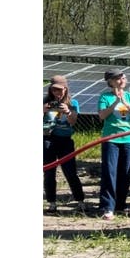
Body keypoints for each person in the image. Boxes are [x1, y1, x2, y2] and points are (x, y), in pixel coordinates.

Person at [97, 68, 130, 220]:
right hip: (111, 139)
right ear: (110, 82)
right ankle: (107, 206)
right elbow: (102, 115)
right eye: (117, 78)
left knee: (125, 172)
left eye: (122, 77)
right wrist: (116, 101)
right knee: (110, 172)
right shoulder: (105, 96)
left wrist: (125, 103)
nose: (121, 80)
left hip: (129, 139)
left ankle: (121, 204)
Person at [43, 75, 86, 212]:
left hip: (65, 141)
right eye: (54, 90)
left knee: (70, 172)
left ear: (65, 89)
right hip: (48, 140)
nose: (57, 93)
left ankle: (80, 201)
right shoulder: (45, 102)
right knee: (49, 172)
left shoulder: (73, 103)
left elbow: (73, 122)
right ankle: (51, 203)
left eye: (60, 90)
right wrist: (43, 110)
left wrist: (67, 111)